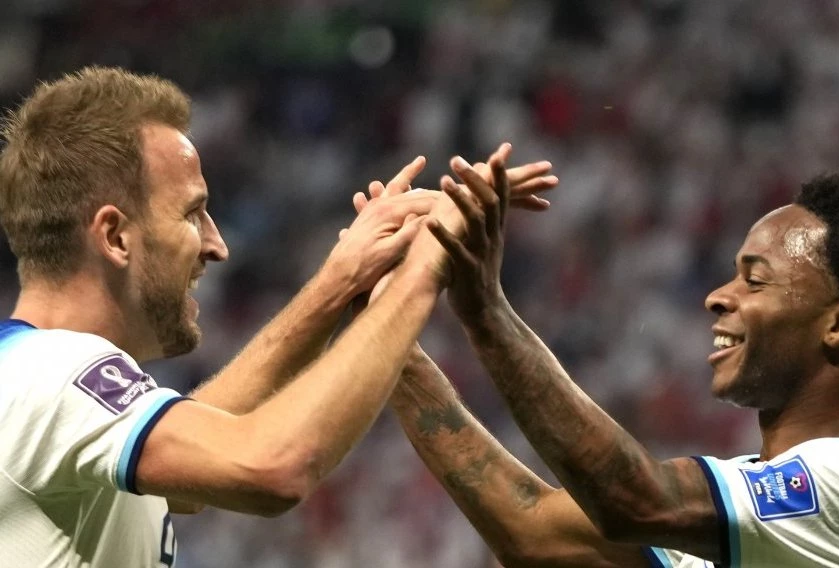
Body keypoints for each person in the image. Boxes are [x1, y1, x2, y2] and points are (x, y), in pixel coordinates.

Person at [0, 66, 555, 567]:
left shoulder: (32, 383)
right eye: (192, 214)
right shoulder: (49, 374)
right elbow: (270, 466)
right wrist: (424, 270)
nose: (217, 245)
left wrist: (341, 282)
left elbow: (194, 473)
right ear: (115, 236)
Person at [387, 166, 839, 567]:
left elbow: (636, 500)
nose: (718, 296)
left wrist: (486, 311)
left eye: (755, 281)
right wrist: (385, 321)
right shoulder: (743, 515)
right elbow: (533, 533)